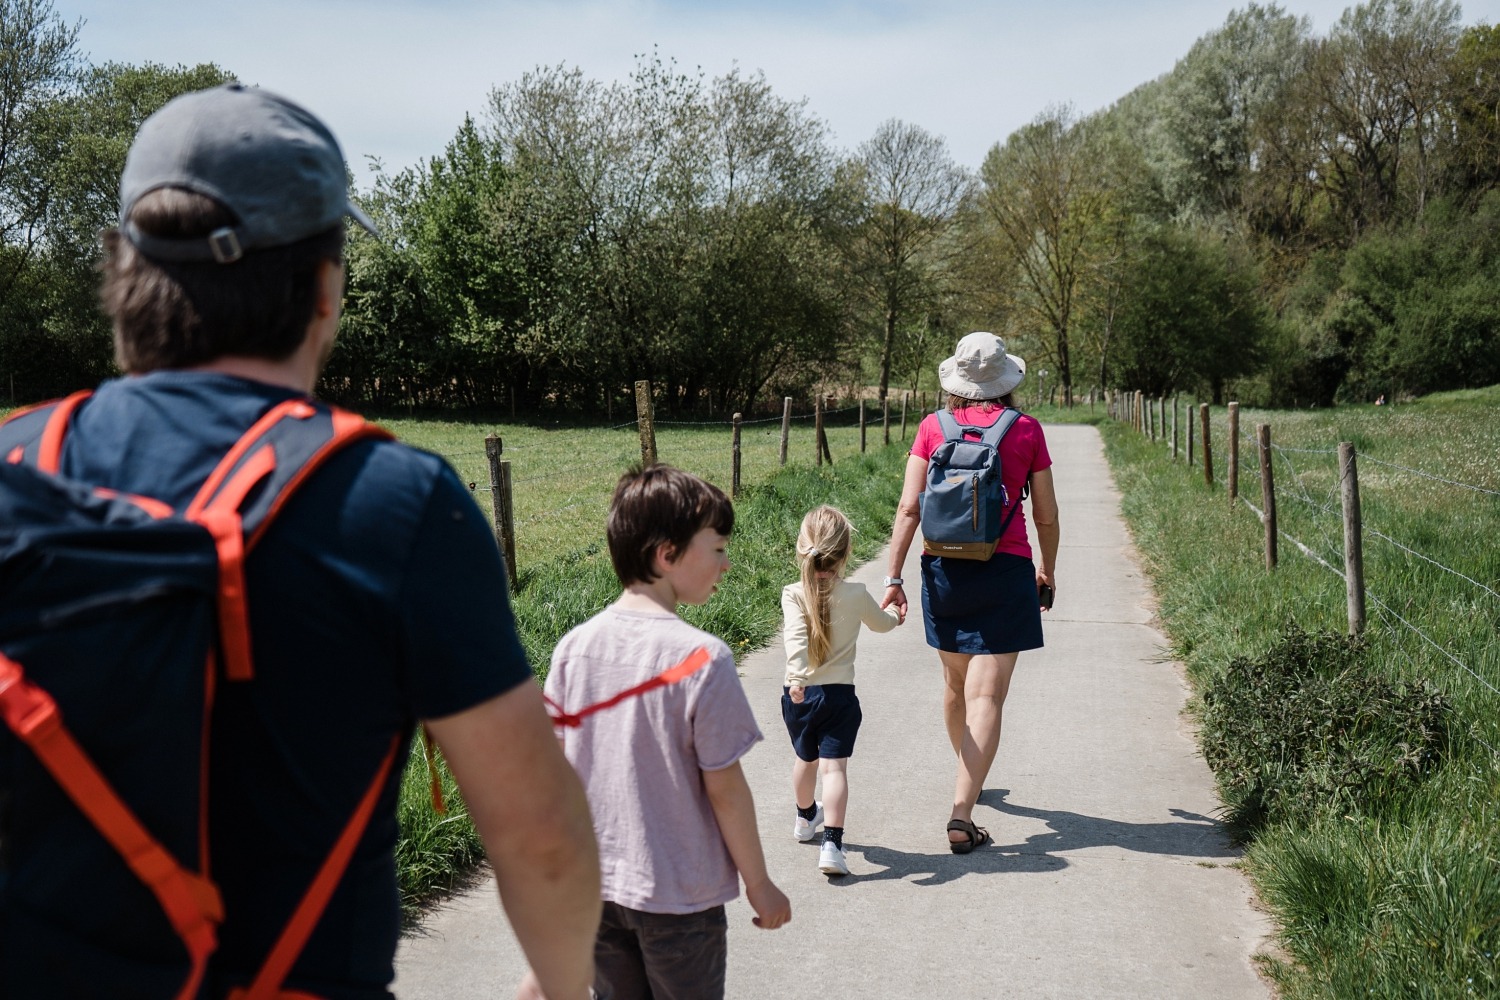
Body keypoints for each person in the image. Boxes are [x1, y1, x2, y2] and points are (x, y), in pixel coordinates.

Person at [40, 83, 601, 999]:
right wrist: (564, 984)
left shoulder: (18, 463)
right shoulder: (391, 501)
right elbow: (539, 836)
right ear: (327, 288)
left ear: (118, 267)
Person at [545, 464, 791, 1000]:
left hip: (596, 891)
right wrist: (759, 884)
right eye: (719, 548)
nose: (726, 564)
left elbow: (557, 777)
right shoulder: (704, 659)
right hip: (680, 900)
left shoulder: (573, 649)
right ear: (667, 554)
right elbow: (725, 790)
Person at [881, 332, 1059, 854]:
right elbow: (1044, 512)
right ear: (1006, 381)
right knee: (988, 695)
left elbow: (909, 508)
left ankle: (968, 776)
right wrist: (1046, 569)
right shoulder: (1026, 430)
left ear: (956, 381)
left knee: (957, 687)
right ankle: (962, 811)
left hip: (943, 570)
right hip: (1006, 569)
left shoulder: (933, 427)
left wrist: (893, 578)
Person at [780, 505, 903, 878]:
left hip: (800, 694)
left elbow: (794, 638)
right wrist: (897, 615)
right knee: (834, 770)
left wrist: (798, 677)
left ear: (802, 548)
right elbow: (882, 624)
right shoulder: (856, 593)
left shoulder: (792, 593)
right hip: (839, 697)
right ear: (846, 553)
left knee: (805, 759)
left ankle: (804, 820)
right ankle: (832, 844)